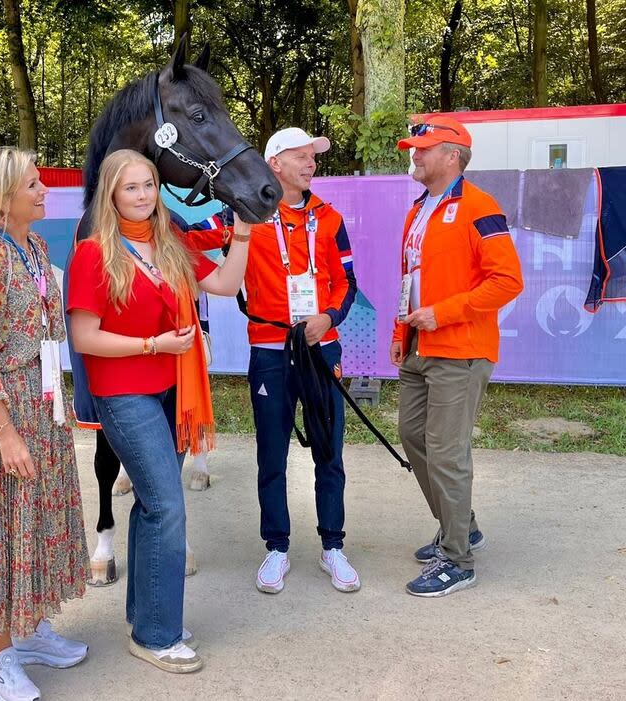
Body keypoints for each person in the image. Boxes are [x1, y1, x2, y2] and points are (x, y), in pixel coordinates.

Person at [66, 149, 252, 673]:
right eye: (132, 187)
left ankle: (146, 616)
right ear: (111, 193)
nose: (145, 195)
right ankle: (156, 634)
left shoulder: (168, 246)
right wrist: (154, 345)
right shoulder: (94, 253)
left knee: (152, 505)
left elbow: (226, 285)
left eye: (150, 185)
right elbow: (83, 336)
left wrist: (241, 235)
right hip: (125, 394)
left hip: (172, 390)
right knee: (168, 505)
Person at [190, 127, 359, 594]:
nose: (311, 164)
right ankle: (277, 548)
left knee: (330, 450)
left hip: (321, 350)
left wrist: (328, 317)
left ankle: (333, 545)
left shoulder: (329, 218)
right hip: (269, 350)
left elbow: (348, 283)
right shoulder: (242, 215)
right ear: (274, 164)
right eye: (301, 156)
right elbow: (189, 239)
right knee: (271, 454)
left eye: (314, 158)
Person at [0, 146, 89, 701]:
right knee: (7, 531)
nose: (43, 190)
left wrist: (61, 403)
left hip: (45, 405)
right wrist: (6, 432)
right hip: (8, 415)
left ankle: (29, 632)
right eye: (32, 184)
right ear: (3, 198)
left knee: (38, 520)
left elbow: (48, 333)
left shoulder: (33, 246)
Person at [391, 116, 523, 597]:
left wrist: (443, 314)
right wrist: (399, 332)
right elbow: (410, 280)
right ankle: (460, 527)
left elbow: (508, 281)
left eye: (424, 149)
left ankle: (457, 560)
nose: (415, 155)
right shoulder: (417, 210)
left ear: (453, 155)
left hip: (461, 350)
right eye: (414, 148)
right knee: (412, 436)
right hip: (419, 348)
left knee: (446, 450)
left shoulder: (479, 206)